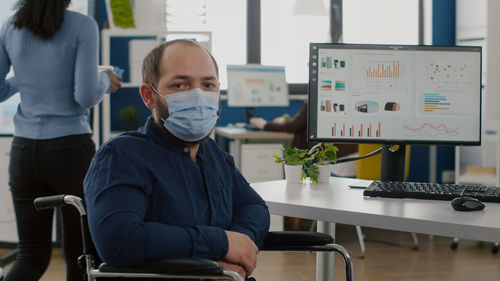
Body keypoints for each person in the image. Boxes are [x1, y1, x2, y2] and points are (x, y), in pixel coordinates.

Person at [83, 39, 270, 280]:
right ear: (149, 96)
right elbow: (120, 241)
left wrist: (238, 245)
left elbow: (253, 207)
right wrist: (220, 243)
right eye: (180, 84)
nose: (198, 95)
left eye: (207, 84)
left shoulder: (213, 154)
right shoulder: (122, 156)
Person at [0, 1, 122, 280]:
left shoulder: (10, 26)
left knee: (30, 256)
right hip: (70, 151)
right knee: (81, 256)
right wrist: (106, 79)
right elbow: (86, 96)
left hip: (23, 152)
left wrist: (28, 78)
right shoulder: (82, 26)